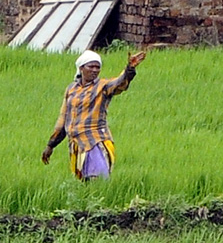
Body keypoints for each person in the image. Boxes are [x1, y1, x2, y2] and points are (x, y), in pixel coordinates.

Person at [41, 49, 147, 181]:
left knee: (99, 180)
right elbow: (63, 119)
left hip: (95, 141)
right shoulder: (71, 89)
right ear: (81, 68)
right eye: (91, 66)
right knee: (83, 183)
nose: (95, 70)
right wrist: (51, 145)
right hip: (77, 144)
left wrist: (129, 68)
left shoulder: (102, 86)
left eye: (97, 67)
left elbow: (119, 83)